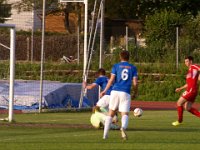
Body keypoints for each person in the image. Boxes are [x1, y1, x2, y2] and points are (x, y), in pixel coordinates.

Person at [100, 50, 138, 140]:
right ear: (129, 57)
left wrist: (104, 90)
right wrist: (135, 92)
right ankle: (123, 128)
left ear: (120, 57)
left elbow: (111, 80)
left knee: (111, 113)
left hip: (115, 91)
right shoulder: (133, 68)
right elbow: (135, 83)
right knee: (124, 114)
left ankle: (105, 135)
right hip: (126, 92)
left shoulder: (116, 66)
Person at [172, 56, 200, 126]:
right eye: (185, 61)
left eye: (187, 61)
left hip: (191, 90)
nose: (185, 63)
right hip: (192, 90)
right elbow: (188, 83)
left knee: (179, 103)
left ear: (191, 61)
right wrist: (180, 88)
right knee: (188, 108)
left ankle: (179, 121)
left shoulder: (194, 66)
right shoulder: (189, 71)